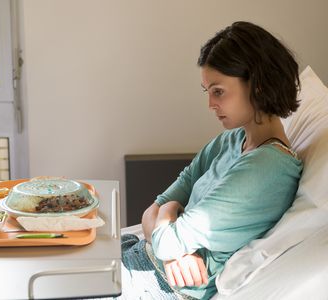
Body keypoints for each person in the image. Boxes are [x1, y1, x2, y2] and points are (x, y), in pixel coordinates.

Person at [119, 21, 303, 300]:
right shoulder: (228, 141)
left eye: (218, 91)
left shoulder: (269, 169)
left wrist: (168, 211)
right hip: (142, 255)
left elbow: (167, 236)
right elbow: (151, 214)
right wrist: (170, 244)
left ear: (259, 87)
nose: (210, 105)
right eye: (208, 92)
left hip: (162, 287)